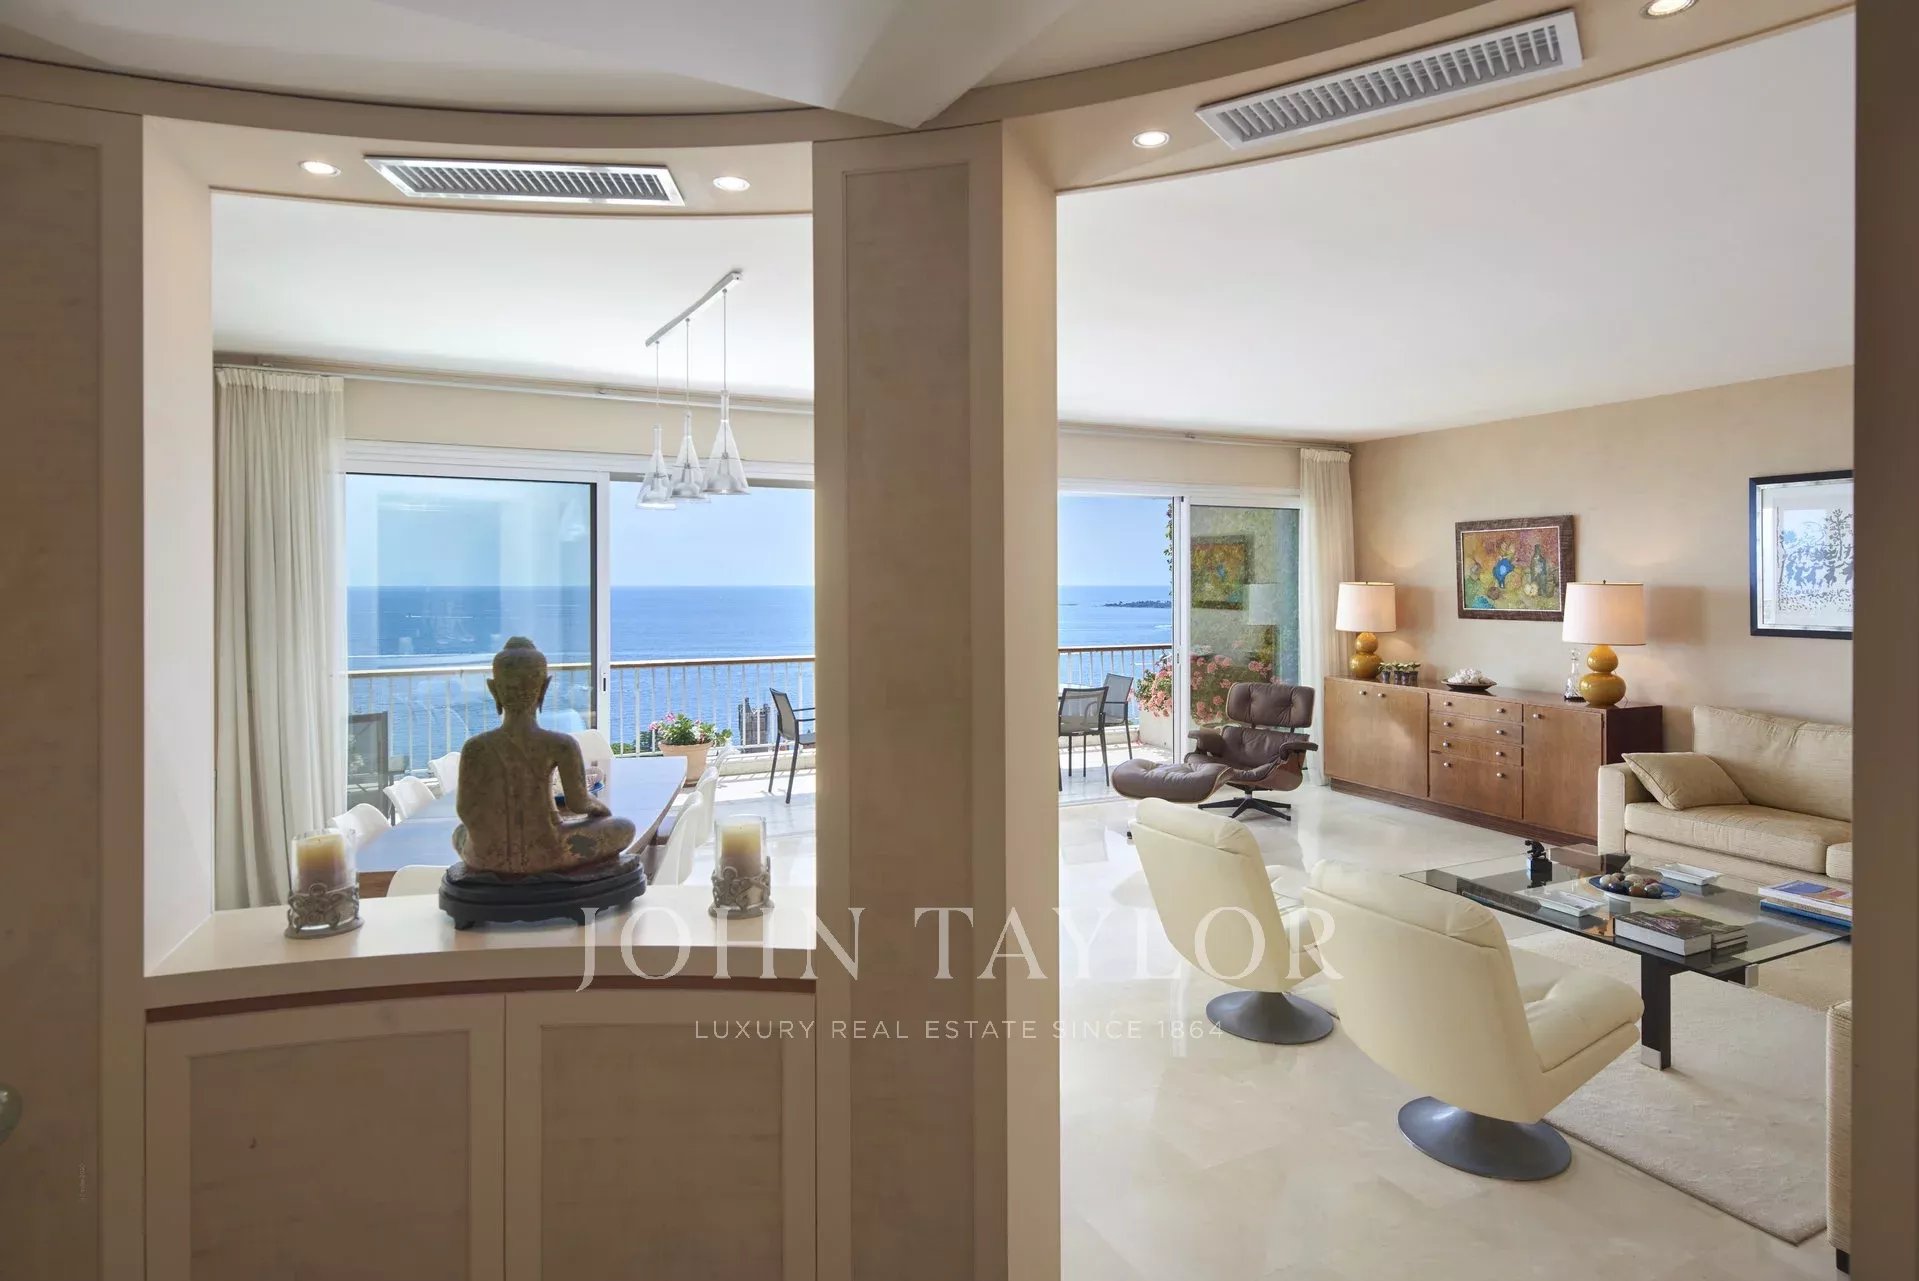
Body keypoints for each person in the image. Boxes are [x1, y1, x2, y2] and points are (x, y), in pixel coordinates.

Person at [451, 637, 636, 875]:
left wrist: (493, 840)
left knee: (459, 833)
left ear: (493, 689)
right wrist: (600, 810)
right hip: (548, 850)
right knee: (624, 827)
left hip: (486, 857)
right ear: (544, 688)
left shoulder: (474, 747)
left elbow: (466, 810)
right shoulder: (560, 744)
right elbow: (579, 803)